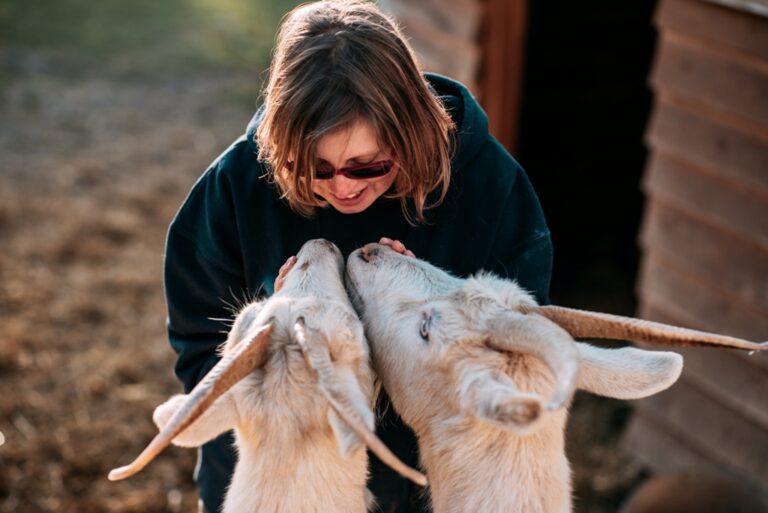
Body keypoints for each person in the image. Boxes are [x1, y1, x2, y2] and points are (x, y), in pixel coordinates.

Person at [163, 1, 553, 512]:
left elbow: (518, 347)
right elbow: (200, 344)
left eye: (367, 165)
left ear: (409, 129)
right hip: (290, 478)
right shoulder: (236, 185)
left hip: (424, 480)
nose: (343, 188)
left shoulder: (488, 185)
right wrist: (278, 323)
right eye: (314, 168)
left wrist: (422, 304)